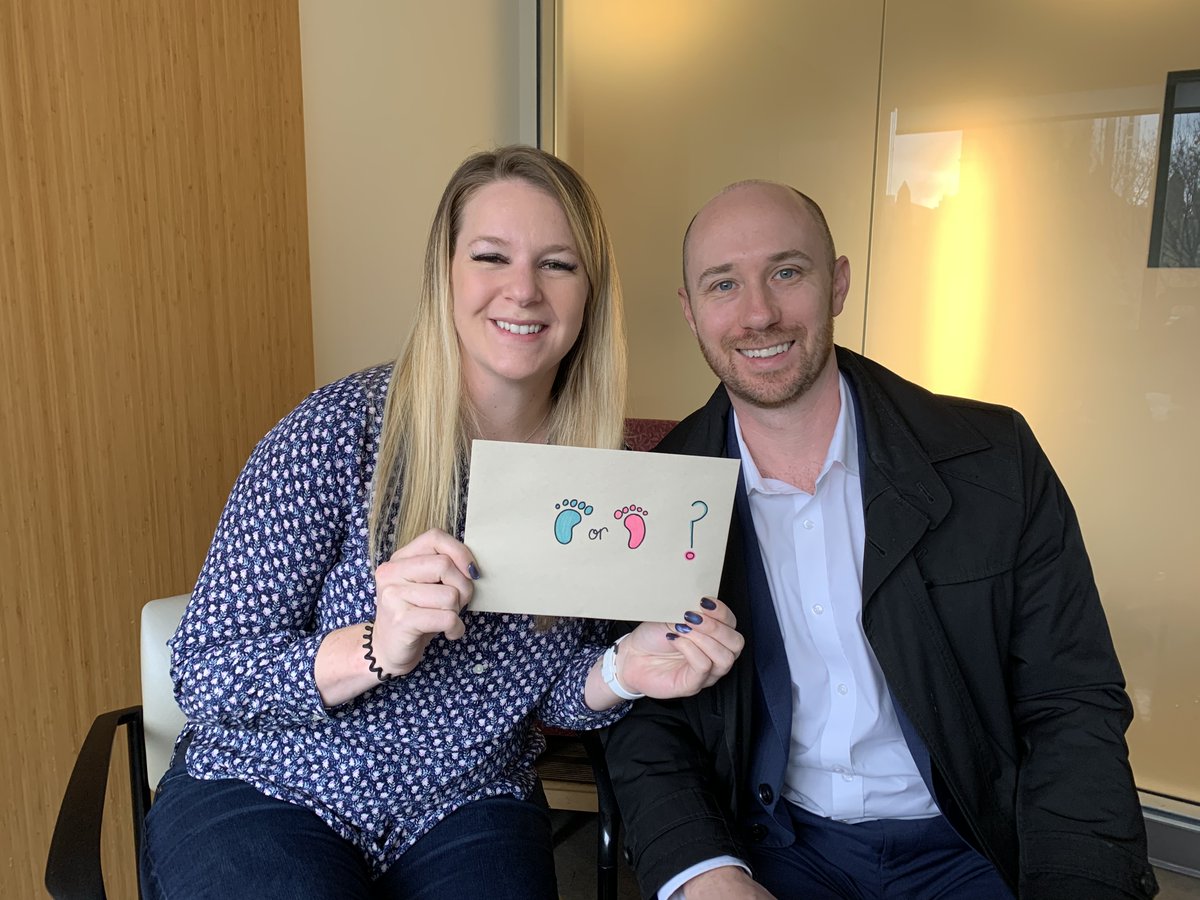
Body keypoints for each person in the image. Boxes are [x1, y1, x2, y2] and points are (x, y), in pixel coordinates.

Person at [139, 146, 743, 900]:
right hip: (272, 783)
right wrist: (373, 646)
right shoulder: (336, 433)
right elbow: (204, 670)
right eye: (491, 256)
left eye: (557, 264)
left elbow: (542, 694)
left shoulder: (606, 484)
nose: (523, 290)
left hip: (467, 803)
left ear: (590, 293)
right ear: (444, 275)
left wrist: (623, 669)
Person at [602, 180, 1158, 900]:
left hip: (979, 844)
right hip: (774, 847)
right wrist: (705, 872)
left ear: (837, 284)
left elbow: (1071, 700)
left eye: (787, 272)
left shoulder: (994, 459)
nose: (759, 313)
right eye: (723, 284)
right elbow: (649, 722)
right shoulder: (660, 493)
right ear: (690, 311)